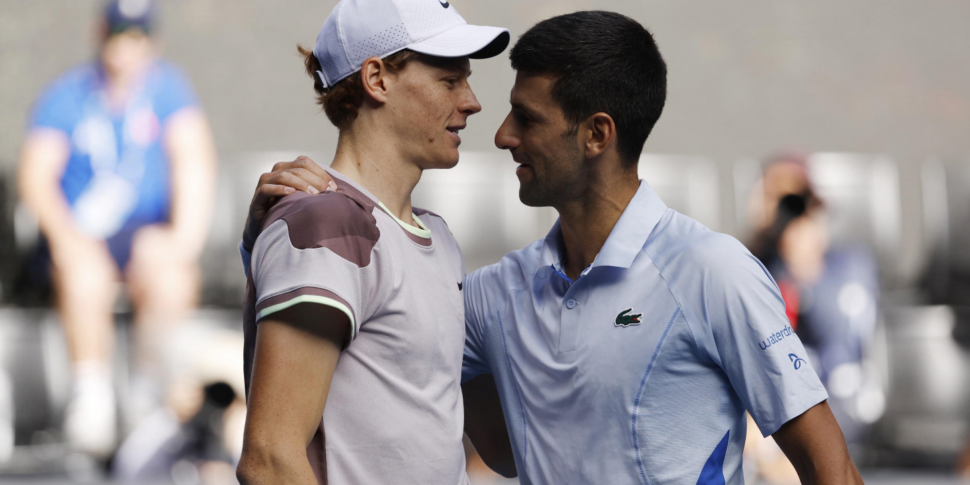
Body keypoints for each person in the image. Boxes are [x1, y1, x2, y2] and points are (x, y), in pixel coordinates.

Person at [244, 11, 863, 485]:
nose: (498, 128)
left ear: (597, 135)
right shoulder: (476, 290)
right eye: (450, 77)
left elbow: (833, 472)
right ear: (377, 79)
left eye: (527, 118)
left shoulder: (714, 271)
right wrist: (270, 236)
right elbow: (279, 449)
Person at [234, 0, 509, 483]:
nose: (472, 101)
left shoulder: (436, 234)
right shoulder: (327, 223)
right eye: (450, 80)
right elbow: (270, 460)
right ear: (376, 79)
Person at [17, 0, 216, 456]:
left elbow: (194, 165)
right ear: (99, 34)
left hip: (143, 232)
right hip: (79, 232)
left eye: (136, 35)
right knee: (85, 272)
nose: (124, 47)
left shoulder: (170, 92)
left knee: (170, 273)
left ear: (153, 41)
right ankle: (92, 397)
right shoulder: (66, 95)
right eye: (116, 34)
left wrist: (183, 241)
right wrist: (65, 238)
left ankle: (147, 396)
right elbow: (36, 176)